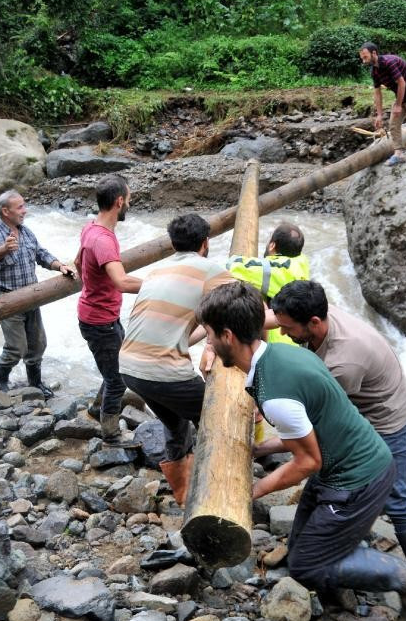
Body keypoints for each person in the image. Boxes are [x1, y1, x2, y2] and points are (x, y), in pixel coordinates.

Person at [198, 281, 406, 621]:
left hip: (357, 478)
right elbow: (309, 431)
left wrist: (248, 493)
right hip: (344, 463)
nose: (208, 342)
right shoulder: (284, 353)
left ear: (228, 336)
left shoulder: (279, 393)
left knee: (306, 566)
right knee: (300, 550)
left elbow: (306, 462)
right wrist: (263, 448)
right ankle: (342, 586)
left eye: (209, 335)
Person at [270, 280, 406, 568]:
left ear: (313, 322)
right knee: (332, 475)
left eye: (288, 328)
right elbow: (272, 318)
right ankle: (322, 538)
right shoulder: (320, 309)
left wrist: (261, 448)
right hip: (367, 404)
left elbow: (309, 431)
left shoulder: (342, 364)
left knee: (396, 497)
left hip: (389, 419)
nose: (283, 332)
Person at [119, 213, 235, 506]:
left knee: (175, 422)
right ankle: (217, 487)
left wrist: (208, 342)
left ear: (173, 244)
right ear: (205, 243)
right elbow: (243, 303)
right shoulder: (210, 269)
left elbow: (180, 330)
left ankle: (183, 492)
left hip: (129, 368)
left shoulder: (156, 272)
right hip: (163, 370)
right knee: (215, 416)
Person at [0, 190, 76, 397]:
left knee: (38, 343)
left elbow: (40, 253)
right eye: (20, 207)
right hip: (6, 299)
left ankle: (35, 383)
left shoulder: (26, 231)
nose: (25, 210)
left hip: (31, 296)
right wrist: (3, 249)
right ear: (5, 211)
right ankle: (0, 382)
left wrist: (59, 266)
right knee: (16, 347)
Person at [75, 175, 142, 447]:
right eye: (129, 198)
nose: (130, 203)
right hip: (100, 321)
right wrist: (160, 286)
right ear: (119, 201)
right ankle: (111, 434)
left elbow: (78, 261)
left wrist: (86, 278)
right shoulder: (103, 240)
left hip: (99, 316)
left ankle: (96, 408)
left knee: (116, 368)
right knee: (117, 380)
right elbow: (122, 282)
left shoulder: (90, 228)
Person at [227, 221, 310, 345]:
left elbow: (233, 265)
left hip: (279, 344)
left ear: (272, 246)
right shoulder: (301, 261)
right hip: (300, 342)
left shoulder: (274, 271)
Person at [359, 42, 406, 168]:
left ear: (374, 53)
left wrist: (398, 105)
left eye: (365, 57)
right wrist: (379, 115)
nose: (363, 61)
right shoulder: (375, 71)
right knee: (393, 123)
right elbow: (377, 93)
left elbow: (402, 83)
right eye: (362, 58)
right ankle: (398, 153)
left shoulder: (390, 62)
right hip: (402, 95)